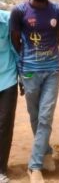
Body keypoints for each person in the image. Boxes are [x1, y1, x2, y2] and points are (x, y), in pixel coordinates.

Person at [10, 0, 59, 183]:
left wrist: (47, 57)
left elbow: (57, 37)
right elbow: (16, 40)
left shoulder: (57, 10)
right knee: (35, 117)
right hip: (29, 71)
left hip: (52, 69)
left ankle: (34, 166)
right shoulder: (19, 11)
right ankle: (47, 151)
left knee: (45, 117)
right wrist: (26, 65)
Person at [0, 10, 18, 183]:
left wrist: (23, 78)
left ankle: (1, 168)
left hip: (6, 77)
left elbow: (16, 47)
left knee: (4, 123)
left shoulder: (7, 20)